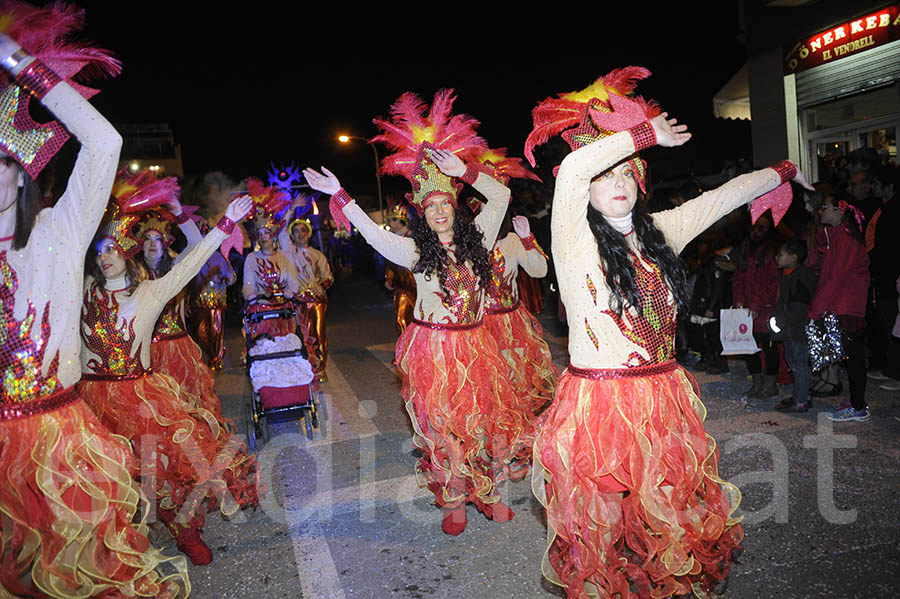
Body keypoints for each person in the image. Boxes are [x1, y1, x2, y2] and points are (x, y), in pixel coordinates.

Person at [524, 66, 812, 598]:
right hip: (599, 405)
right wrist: (642, 135)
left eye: (625, 174)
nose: (616, 184)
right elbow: (569, 170)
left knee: (667, 511)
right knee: (603, 523)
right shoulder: (571, 241)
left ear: (638, 182)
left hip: (662, 396)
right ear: (587, 192)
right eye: (604, 177)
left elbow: (722, 198)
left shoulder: (661, 233)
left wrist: (782, 172)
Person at [0, 11, 189, 598]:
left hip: (59, 432)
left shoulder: (59, 232)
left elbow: (103, 141)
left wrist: (19, 65)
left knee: (87, 574)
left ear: (20, 173)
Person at [304, 89, 530, 536]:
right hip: (435, 350)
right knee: (444, 427)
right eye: (432, 207)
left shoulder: (481, 238)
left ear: (456, 208)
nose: (441, 211)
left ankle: (488, 494)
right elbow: (371, 234)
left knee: (483, 423)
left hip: (478, 342)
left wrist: (462, 171)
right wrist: (341, 194)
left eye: (447, 203)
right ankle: (455, 499)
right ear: (423, 215)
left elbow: (500, 196)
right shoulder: (412, 252)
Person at [78, 194, 259, 566]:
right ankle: (114, 542)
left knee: (161, 469)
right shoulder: (83, 292)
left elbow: (190, 263)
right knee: (99, 474)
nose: (105, 256)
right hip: (89, 398)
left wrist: (225, 224)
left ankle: (185, 531)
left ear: (125, 252)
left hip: (136, 393)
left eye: (112, 248)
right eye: (99, 250)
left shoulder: (148, 292)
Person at [810, 194, 871, 421]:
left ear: (839, 211)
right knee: (851, 357)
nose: (820, 211)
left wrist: (816, 309)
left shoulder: (844, 241)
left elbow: (835, 279)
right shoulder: (838, 239)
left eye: (824, 207)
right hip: (844, 305)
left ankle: (858, 407)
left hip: (847, 306)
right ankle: (857, 402)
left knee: (853, 358)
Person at [241, 178, 301, 342]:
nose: (263, 237)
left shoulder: (285, 256)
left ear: (273, 236)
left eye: (266, 234)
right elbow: (248, 284)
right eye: (260, 235)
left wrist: (291, 291)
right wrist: (250, 294)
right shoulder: (252, 258)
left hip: (284, 309)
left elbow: (293, 279)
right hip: (261, 309)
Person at [278, 214, 333, 381]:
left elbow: (328, 277)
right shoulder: (288, 253)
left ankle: (320, 367)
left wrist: (321, 286)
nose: (300, 234)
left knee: (318, 334)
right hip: (295, 301)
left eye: (303, 231)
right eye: (295, 231)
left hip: (316, 303)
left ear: (308, 233)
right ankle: (303, 368)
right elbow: (280, 231)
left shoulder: (318, 255)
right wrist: (292, 208)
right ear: (292, 235)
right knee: (297, 335)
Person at [733, 212, 781, 398]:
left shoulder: (771, 252)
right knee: (747, 346)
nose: (756, 232)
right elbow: (738, 277)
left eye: (762, 228)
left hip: (766, 310)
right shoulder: (746, 249)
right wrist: (738, 299)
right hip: (747, 310)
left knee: (769, 347)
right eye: (754, 227)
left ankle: (770, 384)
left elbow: (772, 283)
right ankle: (757, 382)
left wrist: (755, 304)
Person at [771, 238, 817, 412]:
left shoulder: (800, 278)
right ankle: (801, 394)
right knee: (794, 363)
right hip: (790, 330)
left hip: (797, 331)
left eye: (780, 254)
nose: (776, 257)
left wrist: (781, 322)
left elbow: (799, 309)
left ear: (793, 257)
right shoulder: (788, 275)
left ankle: (801, 400)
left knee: (799, 365)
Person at [191, 219, 237, 371]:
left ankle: (215, 361)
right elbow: (191, 282)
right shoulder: (193, 257)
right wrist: (206, 278)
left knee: (216, 333)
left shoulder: (220, 257)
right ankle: (208, 356)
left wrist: (223, 278)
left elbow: (231, 279)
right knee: (200, 334)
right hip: (199, 303)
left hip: (217, 304)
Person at [383, 202, 417, 334]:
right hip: (401, 287)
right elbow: (390, 264)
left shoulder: (413, 238)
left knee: (419, 321)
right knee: (401, 320)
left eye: (390, 220)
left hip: (417, 287)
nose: (389, 224)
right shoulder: (391, 240)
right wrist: (389, 279)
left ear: (399, 221)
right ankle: (405, 353)